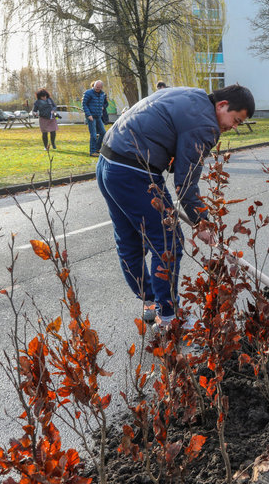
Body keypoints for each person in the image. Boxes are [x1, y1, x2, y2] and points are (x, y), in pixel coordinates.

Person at [96, 85, 254, 328]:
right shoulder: (206, 124)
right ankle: (169, 316)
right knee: (168, 242)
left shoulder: (193, 95)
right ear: (222, 105)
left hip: (108, 162)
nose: (233, 127)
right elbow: (186, 182)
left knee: (129, 240)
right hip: (135, 171)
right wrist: (202, 221)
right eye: (236, 120)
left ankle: (151, 304)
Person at [82, 80, 109, 156]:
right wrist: (88, 115)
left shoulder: (103, 94)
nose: (98, 88)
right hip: (91, 117)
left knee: (103, 133)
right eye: (96, 87)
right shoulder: (88, 93)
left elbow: (105, 104)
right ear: (94, 86)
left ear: (101, 87)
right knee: (93, 135)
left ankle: (97, 148)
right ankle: (92, 152)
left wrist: (103, 107)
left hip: (99, 116)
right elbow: (84, 104)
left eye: (99, 87)